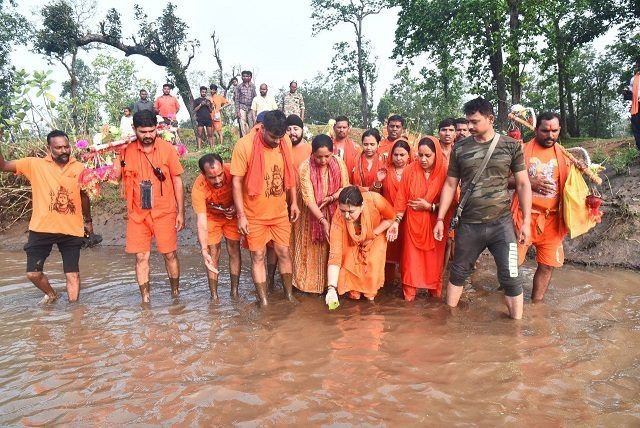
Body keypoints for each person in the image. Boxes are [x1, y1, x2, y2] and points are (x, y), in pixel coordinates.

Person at [433, 97, 531, 320]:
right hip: (468, 225)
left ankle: (517, 329)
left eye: (475, 122)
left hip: (502, 226)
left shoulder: (511, 146)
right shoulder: (460, 149)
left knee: (511, 276)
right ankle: (448, 324)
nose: (469, 126)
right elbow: (450, 184)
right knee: (458, 273)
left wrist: (526, 221)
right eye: (468, 121)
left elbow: (523, 184)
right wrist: (440, 219)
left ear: (490, 119)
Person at [0, 130, 93, 303]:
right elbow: (3, 166)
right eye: (58, 148)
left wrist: (88, 220)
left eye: (66, 147)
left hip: (71, 229)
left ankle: (75, 311)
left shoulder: (79, 168)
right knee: (33, 273)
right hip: (42, 228)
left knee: (73, 275)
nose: (64, 151)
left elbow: (84, 196)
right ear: (49, 148)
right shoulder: (33, 164)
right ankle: (51, 294)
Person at [113, 110, 185, 303]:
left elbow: (177, 180)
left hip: (165, 212)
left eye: (151, 131)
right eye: (143, 132)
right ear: (134, 129)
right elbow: (115, 177)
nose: (147, 135)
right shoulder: (125, 150)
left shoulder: (167, 149)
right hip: (137, 214)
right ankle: (145, 300)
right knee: (141, 257)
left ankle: (175, 294)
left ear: (157, 129)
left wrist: (181, 212)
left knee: (170, 254)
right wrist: (115, 153)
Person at [231, 110, 300, 307]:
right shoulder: (244, 145)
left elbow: (290, 173)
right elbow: (236, 182)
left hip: (279, 212)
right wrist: (241, 216)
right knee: (258, 255)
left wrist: (294, 203)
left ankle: (288, 296)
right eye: (272, 137)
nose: (277, 142)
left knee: (283, 252)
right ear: (262, 128)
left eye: (280, 137)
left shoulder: (285, 142)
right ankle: (263, 301)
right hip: (254, 214)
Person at [510, 112, 571, 303]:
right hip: (522, 217)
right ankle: (509, 301)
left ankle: (536, 307)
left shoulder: (566, 156)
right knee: (512, 265)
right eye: (545, 131)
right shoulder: (521, 150)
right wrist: (529, 182)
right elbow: (504, 180)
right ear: (536, 129)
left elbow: (572, 189)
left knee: (547, 265)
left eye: (554, 131)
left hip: (552, 220)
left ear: (560, 130)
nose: (550, 135)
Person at [388, 136, 451, 301]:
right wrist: (396, 222)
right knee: (411, 264)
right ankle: (408, 300)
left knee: (434, 265)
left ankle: (434, 299)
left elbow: (452, 201)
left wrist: (430, 207)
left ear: (437, 154)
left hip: (436, 226)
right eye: (420, 155)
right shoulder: (410, 170)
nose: (423, 159)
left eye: (428, 156)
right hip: (412, 225)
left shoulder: (445, 171)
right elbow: (401, 198)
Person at [291, 134, 349, 294]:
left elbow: (345, 187)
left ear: (332, 152)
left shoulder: (339, 163)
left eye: (327, 156)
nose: (323, 160)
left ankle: (330, 285)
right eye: (319, 157)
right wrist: (322, 220)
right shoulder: (305, 167)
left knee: (331, 248)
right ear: (312, 154)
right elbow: (309, 199)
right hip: (310, 217)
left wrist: (332, 198)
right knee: (310, 250)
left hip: (334, 213)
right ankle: (307, 287)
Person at [327, 186, 395, 301]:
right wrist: (331, 289)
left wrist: (373, 235)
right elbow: (335, 255)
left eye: (351, 211)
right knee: (353, 289)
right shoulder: (338, 219)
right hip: (351, 240)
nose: (346, 216)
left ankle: (370, 301)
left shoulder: (375, 200)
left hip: (375, 235)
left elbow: (391, 217)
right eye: (343, 211)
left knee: (371, 277)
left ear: (362, 206)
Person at [192, 153, 241, 303]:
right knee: (212, 252)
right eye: (212, 178)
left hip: (232, 215)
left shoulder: (233, 171)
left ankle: (234, 292)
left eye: (220, 175)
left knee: (234, 248)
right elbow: (201, 222)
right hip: (211, 217)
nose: (218, 180)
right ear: (203, 174)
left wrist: (237, 207)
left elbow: (246, 192)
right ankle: (214, 297)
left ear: (223, 166)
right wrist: (203, 250)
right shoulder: (199, 187)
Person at [381, 139, 411, 286]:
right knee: (388, 252)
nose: (398, 158)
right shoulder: (385, 171)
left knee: (407, 252)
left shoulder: (413, 172)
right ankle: (387, 284)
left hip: (407, 219)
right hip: (387, 217)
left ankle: (405, 283)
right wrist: (377, 182)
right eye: (395, 155)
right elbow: (376, 193)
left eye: (402, 155)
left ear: (409, 155)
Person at [332, 115, 361, 183]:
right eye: (339, 127)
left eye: (344, 127)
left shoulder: (356, 148)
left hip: (349, 183)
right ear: (334, 128)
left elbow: (358, 169)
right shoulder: (328, 145)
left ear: (348, 128)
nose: (341, 130)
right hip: (331, 182)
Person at [234, 70, 257, 136]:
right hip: (242, 107)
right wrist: (237, 111)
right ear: (241, 77)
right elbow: (236, 100)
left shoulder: (252, 86)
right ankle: (244, 138)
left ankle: (252, 138)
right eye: (243, 76)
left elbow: (255, 98)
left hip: (250, 107)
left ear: (248, 77)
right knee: (242, 123)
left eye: (246, 76)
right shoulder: (239, 87)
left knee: (251, 124)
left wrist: (255, 110)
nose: (245, 77)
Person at [625, 60, 640, 151]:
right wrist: (626, 91)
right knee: (636, 129)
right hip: (636, 107)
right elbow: (630, 90)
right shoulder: (634, 78)